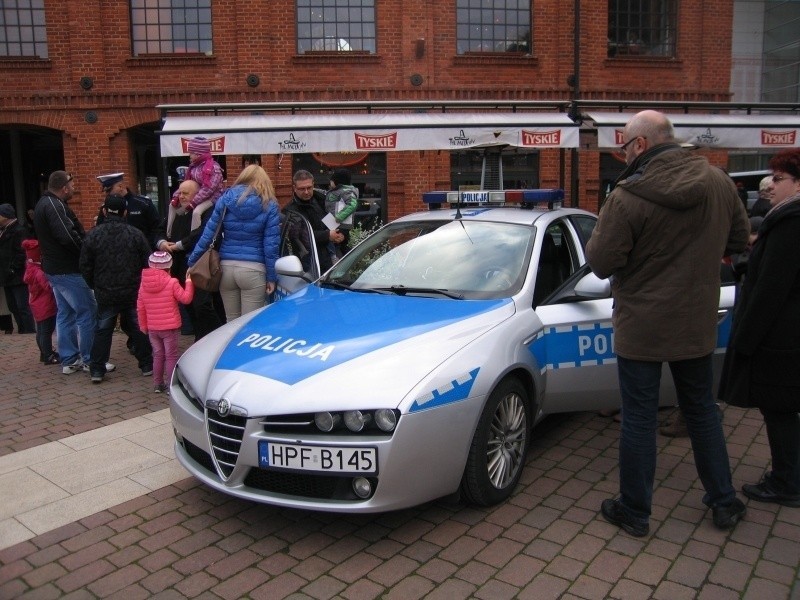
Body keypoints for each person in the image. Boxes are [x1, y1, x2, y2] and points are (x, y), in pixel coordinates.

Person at [585, 110, 750, 537]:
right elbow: (737, 241)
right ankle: (724, 501)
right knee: (701, 411)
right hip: (696, 319)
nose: (622, 157)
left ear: (640, 145)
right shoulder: (717, 182)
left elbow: (600, 263)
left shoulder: (627, 195)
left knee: (638, 417)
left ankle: (635, 511)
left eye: (624, 148)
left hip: (642, 323)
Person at [718, 148, 800, 509]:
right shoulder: (786, 219)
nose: (771, 187)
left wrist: (746, 339)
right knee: (782, 409)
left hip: (779, 336)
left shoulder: (792, 222)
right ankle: (787, 476)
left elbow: (771, 288)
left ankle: (787, 481)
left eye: (779, 180)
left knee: (779, 409)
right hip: (785, 332)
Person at [187, 164, 281, 321]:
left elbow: (208, 235)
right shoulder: (269, 205)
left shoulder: (225, 200)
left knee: (231, 322)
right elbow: (271, 246)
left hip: (226, 269)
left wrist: (192, 261)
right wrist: (272, 277)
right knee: (249, 325)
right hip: (254, 270)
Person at [79, 194, 152, 383]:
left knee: (103, 330)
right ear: (125, 212)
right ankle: (146, 364)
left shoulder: (93, 235)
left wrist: (94, 285)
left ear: (104, 211)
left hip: (105, 290)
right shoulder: (135, 234)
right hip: (132, 290)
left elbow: (85, 265)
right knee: (138, 328)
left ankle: (97, 369)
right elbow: (147, 262)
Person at [33, 171, 98, 374]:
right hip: (67, 269)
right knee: (87, 312)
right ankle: (89, 358)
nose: (73, 188)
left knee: (66, 313)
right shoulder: (54, 205)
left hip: (54, 269)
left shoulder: (44, 204)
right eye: (71, 184)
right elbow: (66, 236)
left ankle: (69, 358)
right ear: (64, 187)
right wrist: (84, 251)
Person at [157, 179, 222, 340]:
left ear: (197, 195)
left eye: (186, 193)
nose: (181, 196)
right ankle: (200, 337)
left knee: (202, 305)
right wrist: (162, 242)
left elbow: (202, 234)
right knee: (188, 305)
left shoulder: (206, 211)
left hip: (199, 264)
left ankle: (212, 337)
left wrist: (179, 245)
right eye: (180, 192)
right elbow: (160, 230)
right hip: (179, 265)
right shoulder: (176, 212)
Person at [138, 251, 194, 393]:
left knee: (157, 355)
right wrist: (189, 282)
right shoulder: (172, 282)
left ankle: (157, 384)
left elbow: (140, 307)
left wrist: (143, 326)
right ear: (169, 267)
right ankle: (170, 385)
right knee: (171, 355)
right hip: (170, 328)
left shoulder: (143, 285)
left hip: (152, 328)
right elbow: (186, 299)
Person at [284, 169, 344, 274]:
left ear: (313, 184)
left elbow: (333, 223)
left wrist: (340, 234)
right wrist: (327, 235)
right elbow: (298, 237)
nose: (306, 192)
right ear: (294, 188)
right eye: (302, 189)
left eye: (309, 188)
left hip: (332, 259)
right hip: (310, 264)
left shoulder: (321, 201)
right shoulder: (290, 211)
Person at [95, 172, 161, 249]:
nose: (107, 194)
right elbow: (99, 229)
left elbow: (156, 228)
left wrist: (145, 246)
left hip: (141, 252)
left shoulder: (143, 204)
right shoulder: (106, 207)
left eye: (109, 191)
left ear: (120, 186)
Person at [21, 239, 59, 364]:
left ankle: (44, 353)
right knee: (46, 331)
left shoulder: (30, 268)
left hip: (36, 304)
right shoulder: (39, 272)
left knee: (41, 330)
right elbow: (48, 287)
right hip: (45, 304)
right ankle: (48, 355)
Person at [0, 203, 35, 333]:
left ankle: (28, 330)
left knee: (22, 305)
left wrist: (13, 268)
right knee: (13, 305)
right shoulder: (4, 231)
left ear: (5, 216)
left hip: (16, 275)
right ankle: (22, 329)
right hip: (7, 274)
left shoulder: (19, 231)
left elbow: (21, 252)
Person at [169, 136, 224, 214]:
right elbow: (186, 184)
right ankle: (170, 226)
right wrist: (176, 197)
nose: (189, 155)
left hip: (213, 197)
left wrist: (194, 203)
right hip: (197, 196)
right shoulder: (193, 167)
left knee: (197, 212)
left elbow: (208, 189)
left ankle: (196, 227)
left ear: (199, 154)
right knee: (172, 206)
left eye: (191, 153)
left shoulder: (213, 168)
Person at [325, 168, 359, 256]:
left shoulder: (346, 192)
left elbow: (352, 204)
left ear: (337, 182)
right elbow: (326, 195)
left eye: (331, 181)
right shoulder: (335, 191)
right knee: (334, 242)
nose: (330, 183)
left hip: (340, 224)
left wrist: (339, 217)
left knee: (340, 243)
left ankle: (339, 260)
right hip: (332, 222)